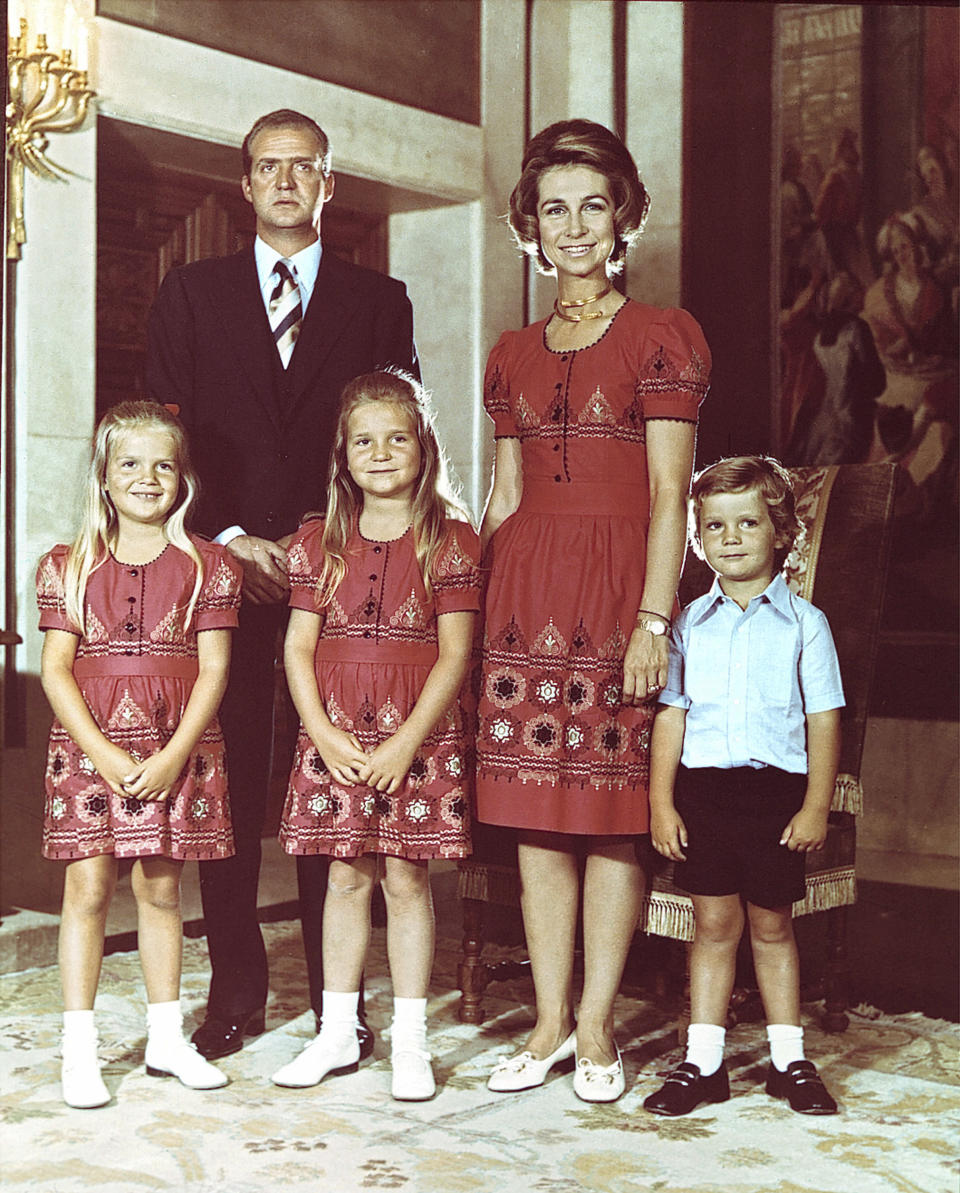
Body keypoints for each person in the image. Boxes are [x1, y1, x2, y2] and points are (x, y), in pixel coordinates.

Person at [146, 110, 419, 1061]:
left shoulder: (380, 301)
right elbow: (166, 440)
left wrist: (314, 539)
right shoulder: (190, 292)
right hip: (221, 574)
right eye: (270, 167)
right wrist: (224, 537)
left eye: (306, 167)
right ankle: (234, 993)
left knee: (329, 780)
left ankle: (334, 1000)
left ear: (329, 184)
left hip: (338, 579)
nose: (288, 181)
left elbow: (394, 439)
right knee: (225, 785)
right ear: (246, 184)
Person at [475, 119, 711, 1103]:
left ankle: (597, 1024)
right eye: (555, 208)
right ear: (531, 225)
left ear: (624, 216)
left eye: (593, 205)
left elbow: (670, 496)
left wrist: (655, 620)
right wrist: (463, 608)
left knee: (612, 822)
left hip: (622, 591)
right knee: (537, 819)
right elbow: (501, 496)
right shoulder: (511, 352)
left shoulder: (662, 334)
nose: (574, 226)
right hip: (522, 595)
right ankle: (544, 1023)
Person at [269, 371, 480, 1100]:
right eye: (364, 440)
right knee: (344, 876)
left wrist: (406, 744)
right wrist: (320, 732)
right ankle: (335, 1033)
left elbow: (455, 654)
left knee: (406, 878)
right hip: (337, 736)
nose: (381, 452)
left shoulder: (449, 540)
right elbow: (298, 648)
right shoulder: (316, 541)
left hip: (414, 738)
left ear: (423, 447)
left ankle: (412, 1044)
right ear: (342, 453)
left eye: (397, 438)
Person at [36, 402, 242, 1108]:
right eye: (130, 463)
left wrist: (172, 754)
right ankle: (80, 1049)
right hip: (89, 747)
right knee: (88, 891)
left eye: (163, 464)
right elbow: (57, 668)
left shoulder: (208, 564)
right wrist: (98, 752)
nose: (147, 477)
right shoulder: (67, 565)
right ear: (104, 475)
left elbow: (214, 670)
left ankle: (165, 1037)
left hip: (174, 744)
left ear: (183, 478)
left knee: (161, 889)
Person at [644, 456, 844, 1118]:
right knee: (713, 924)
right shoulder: (687, 625)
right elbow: (671, 714)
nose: (730, 537)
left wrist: (816, 803)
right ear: (697, 538)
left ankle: (791, 1058)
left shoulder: (806, 625)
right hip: (703, 792)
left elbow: (823, 718)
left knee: (772, 923)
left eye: (748, 522)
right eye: (714, 525)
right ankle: (704, 1062)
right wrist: (661, 799)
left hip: (774, 797)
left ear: (781, 531)